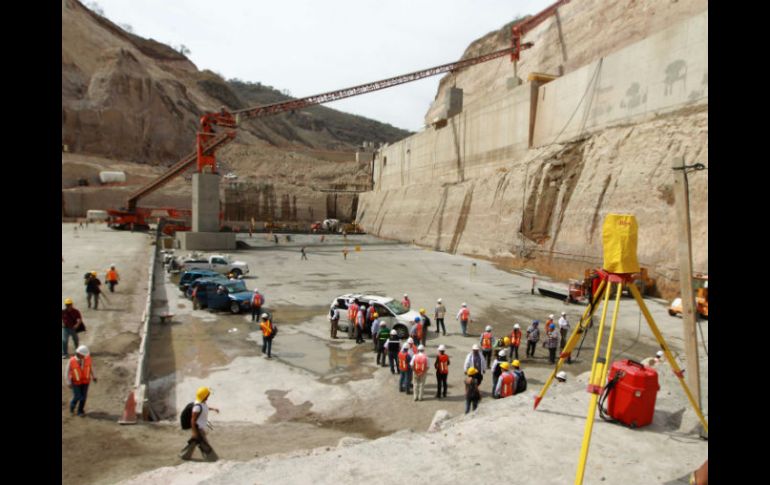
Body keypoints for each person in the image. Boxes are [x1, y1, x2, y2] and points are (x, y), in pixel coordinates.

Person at [180, 387, 220, 461]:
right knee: (204, 443)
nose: (208, 395)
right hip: (197, 428)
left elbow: (205, 407)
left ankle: (184, 455)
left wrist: (213, 409)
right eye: (208, 394)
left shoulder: (202, 403)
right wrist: (195, 432)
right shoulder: (197, 407)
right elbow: (193, 420)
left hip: (200, 427)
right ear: (204, 396)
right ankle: (212, 459)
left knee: (194, 442)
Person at [65, 345, 97, 417]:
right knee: (78, 396)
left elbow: (91, 367)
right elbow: (66, 372)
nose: (85, 357)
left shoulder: (87, 359)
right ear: (79, 354)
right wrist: (68, 382)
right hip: (75, 382)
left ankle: (80, 411)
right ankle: (72, 407)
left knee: (84, 397)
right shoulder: (71, 361)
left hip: (85, 382)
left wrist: (94, 376)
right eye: (83, 355)